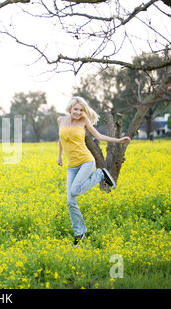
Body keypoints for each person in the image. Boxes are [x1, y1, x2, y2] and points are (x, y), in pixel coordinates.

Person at [57, 96, 131, 246]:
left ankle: (100, 174)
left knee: (75, 191)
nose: (78, 112)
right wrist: (59, 156)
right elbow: (61, 139)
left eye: (81, 110)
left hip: (86, 162)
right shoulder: (61, 120)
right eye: (76, 109)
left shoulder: (84, 121)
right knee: (70, 201)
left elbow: (99, 136)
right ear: (70, 108)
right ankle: (79, 232)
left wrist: (118, 140)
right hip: (71, 166)